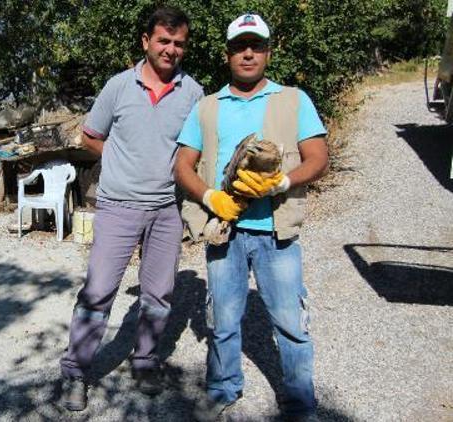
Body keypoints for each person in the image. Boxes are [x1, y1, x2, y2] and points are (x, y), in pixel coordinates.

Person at [174, 13, 328, 421]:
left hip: (277, 234)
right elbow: (182, 165)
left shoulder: (293, 100)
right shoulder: (207, 107)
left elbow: (319, 158)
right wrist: (209, 195)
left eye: (255, 45)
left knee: (291, 324)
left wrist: (281, 184)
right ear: (228, 54)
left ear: (267, 52)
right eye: (240, 46)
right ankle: (223, 388)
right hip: (225, 231)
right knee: (223, 320)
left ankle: (299, 402)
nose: (248, 53)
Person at [59, 6, 204, 412]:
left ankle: (145, 361)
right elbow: (90, 136)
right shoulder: (118, 87)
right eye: (163, 41)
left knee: (159, 295)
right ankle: (75, 372)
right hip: (118, 206)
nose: (171, 49)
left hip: (166, 209)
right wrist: (120, 159)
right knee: (98, 292)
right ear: (146, 42)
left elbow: (198, 150)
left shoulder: (194, 93)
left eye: (178, 43)